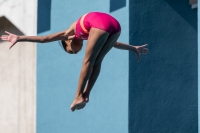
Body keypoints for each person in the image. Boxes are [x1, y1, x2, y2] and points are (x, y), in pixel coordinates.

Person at [0, 12, 148, 112]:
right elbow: (115, 44)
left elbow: (44, 39)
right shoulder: (88, 35)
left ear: (67, 43)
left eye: (71, 51)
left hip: (100, 22)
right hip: (115, 27)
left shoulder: (68, 34)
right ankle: (86, 94)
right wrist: (133, 48)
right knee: (97, 60)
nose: (76, 51)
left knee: (88, 61)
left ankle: (78, 95)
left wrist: (20, 38)